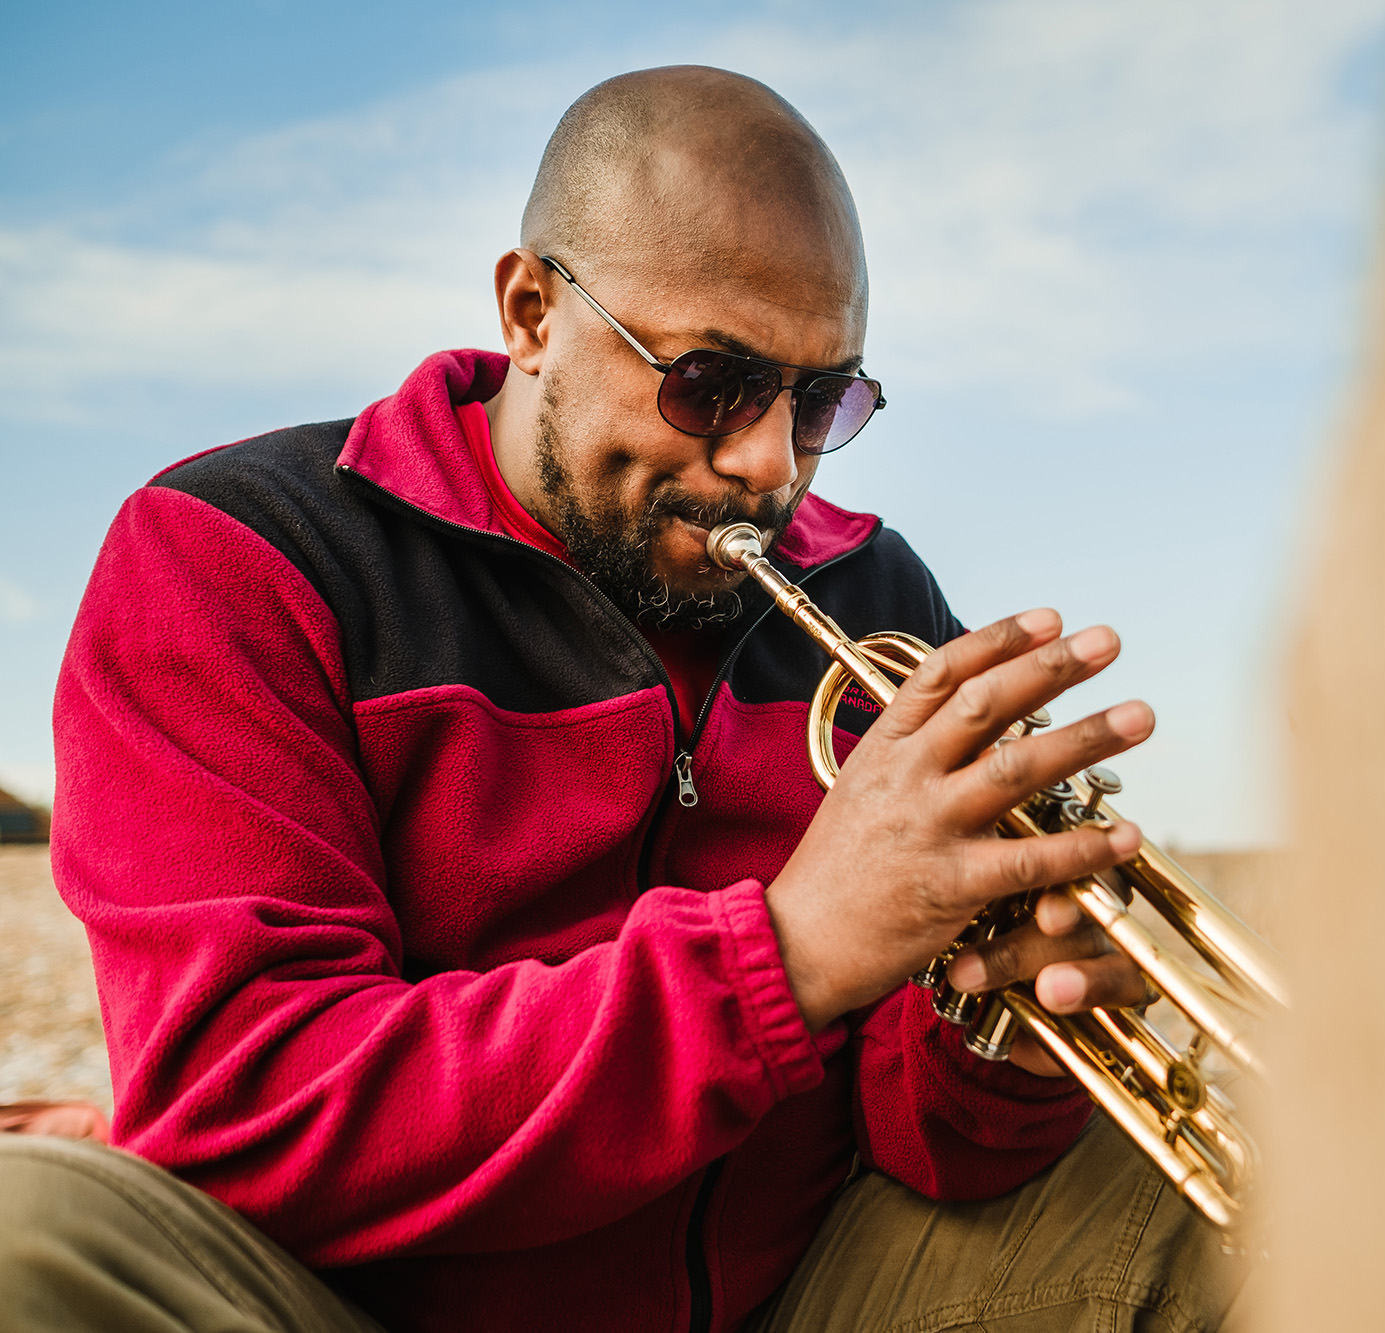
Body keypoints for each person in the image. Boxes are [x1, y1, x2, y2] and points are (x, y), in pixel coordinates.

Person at [0, 66, 1243, 1332]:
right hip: (352, 1310)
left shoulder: (872, 583)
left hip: (795, 1298)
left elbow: (923, 1150)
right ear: (532, 312)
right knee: (23, 1236)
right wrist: (791, 950)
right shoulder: (234, 556)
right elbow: (246, 1108)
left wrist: (1013, 1038)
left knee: (1247, 1184)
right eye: (710, 384)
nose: (766, 463)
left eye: (823, 401)